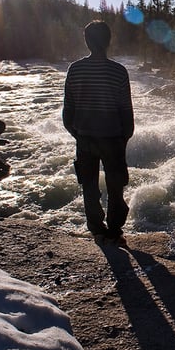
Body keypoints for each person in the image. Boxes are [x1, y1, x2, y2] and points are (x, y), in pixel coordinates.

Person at [62, 20, 134, 245]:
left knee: (89, 185)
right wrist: (125, 136)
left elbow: (68, 108)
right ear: (108, 41)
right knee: (115, 185)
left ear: (87, 41)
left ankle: (97, 229)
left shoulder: (75, 69)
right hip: (113, 138)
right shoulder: (118, 71)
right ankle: (115, 230)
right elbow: (125, 109)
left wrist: (75, 132)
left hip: (84, 137)